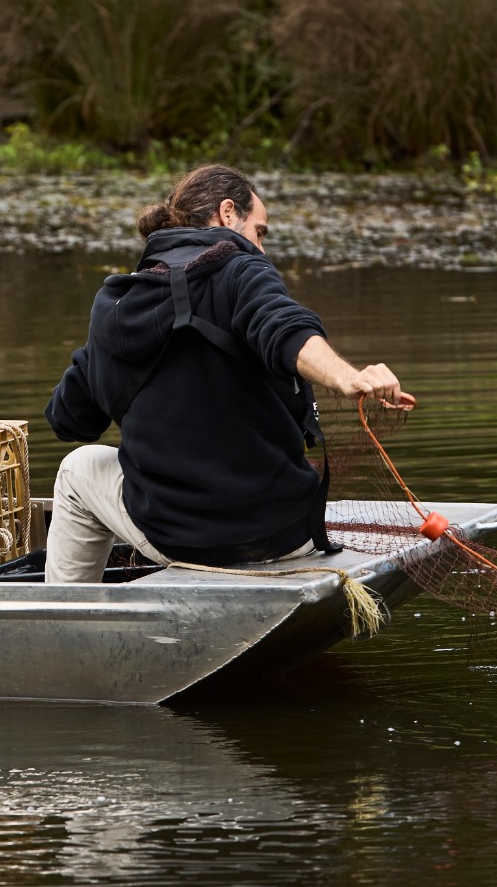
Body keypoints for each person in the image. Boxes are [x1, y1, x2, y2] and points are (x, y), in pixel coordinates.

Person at [43, 163, 416, 583]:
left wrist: (103, 351)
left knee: (78, 467)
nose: (260, 249)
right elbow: (284, 327)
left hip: (180, 538)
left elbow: (69, 420)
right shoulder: (242, 270)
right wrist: (346, 378)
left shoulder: (117, 303)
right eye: (259, 232)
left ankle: (67, 613)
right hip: (284, 535)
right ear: (226, 214)